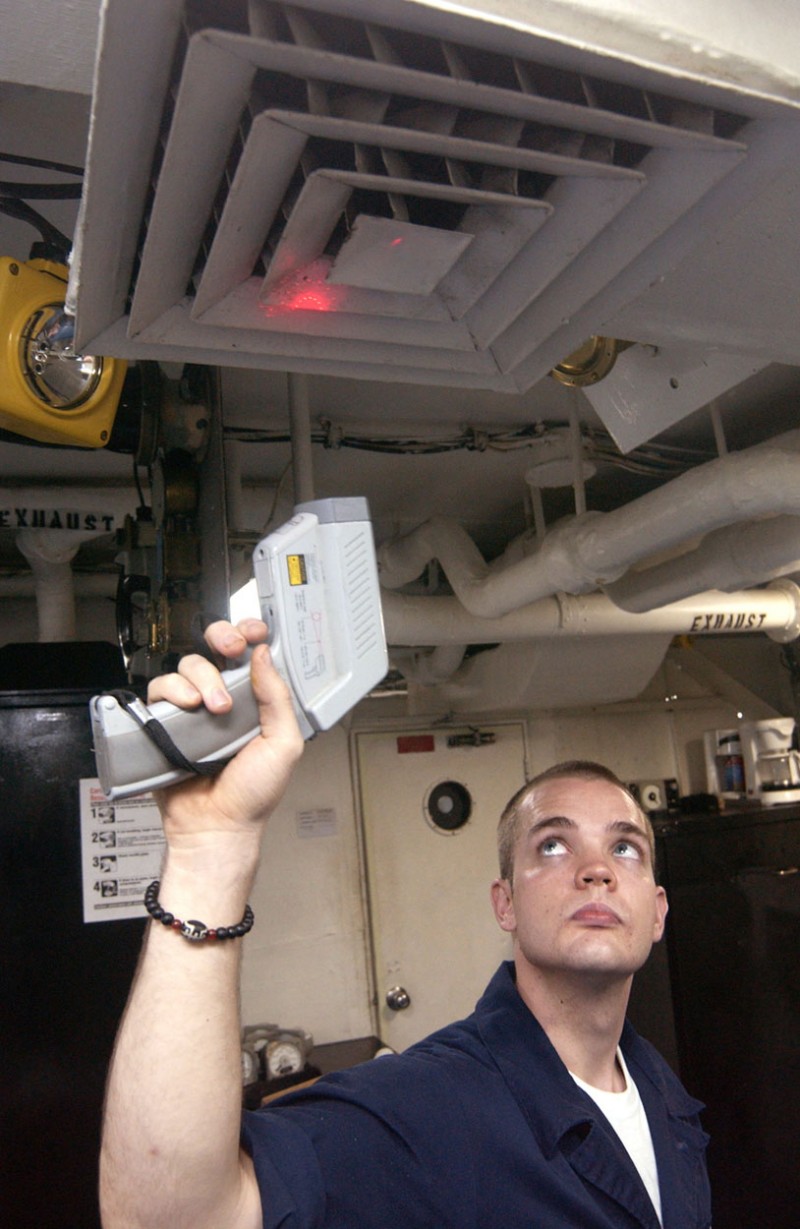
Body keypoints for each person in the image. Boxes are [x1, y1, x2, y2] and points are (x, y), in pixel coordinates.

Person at [99, 618, 711, 1229]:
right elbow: (168, 1216)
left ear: (657, 912)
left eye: (625, 848)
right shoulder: (431, 1108)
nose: (597, 869)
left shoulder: (663, 1096)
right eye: (553, 845)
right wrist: (210, 850)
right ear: (505, 904)